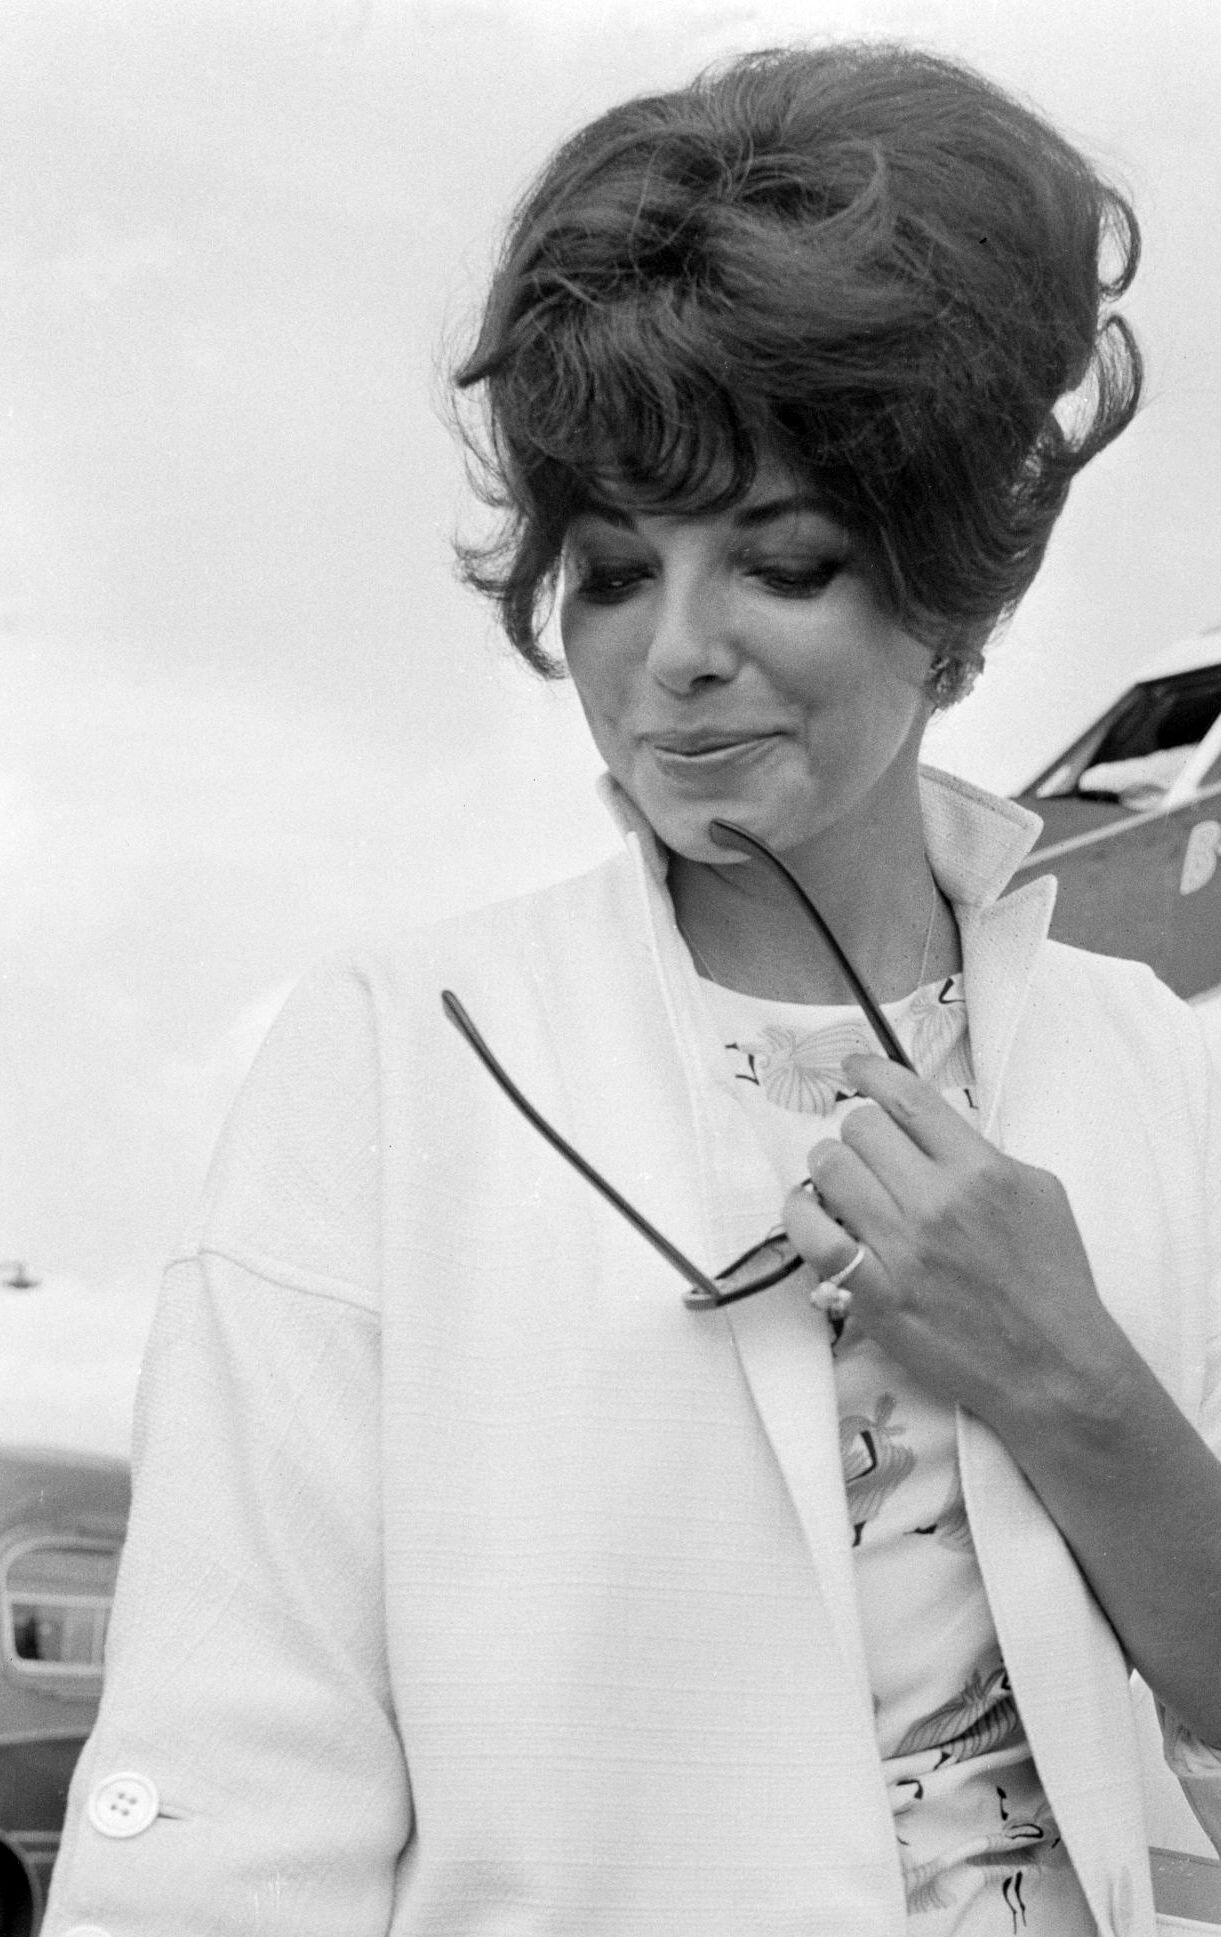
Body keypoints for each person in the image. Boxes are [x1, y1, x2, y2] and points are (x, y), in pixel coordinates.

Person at [45, 40, 1221, 1937]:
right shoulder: (400, 1060)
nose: (674, 653)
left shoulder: (1156, 1076)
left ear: (948, 593)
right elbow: (231, 1801)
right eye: (607, 570)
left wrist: (1073, 1383)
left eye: (783, 560)